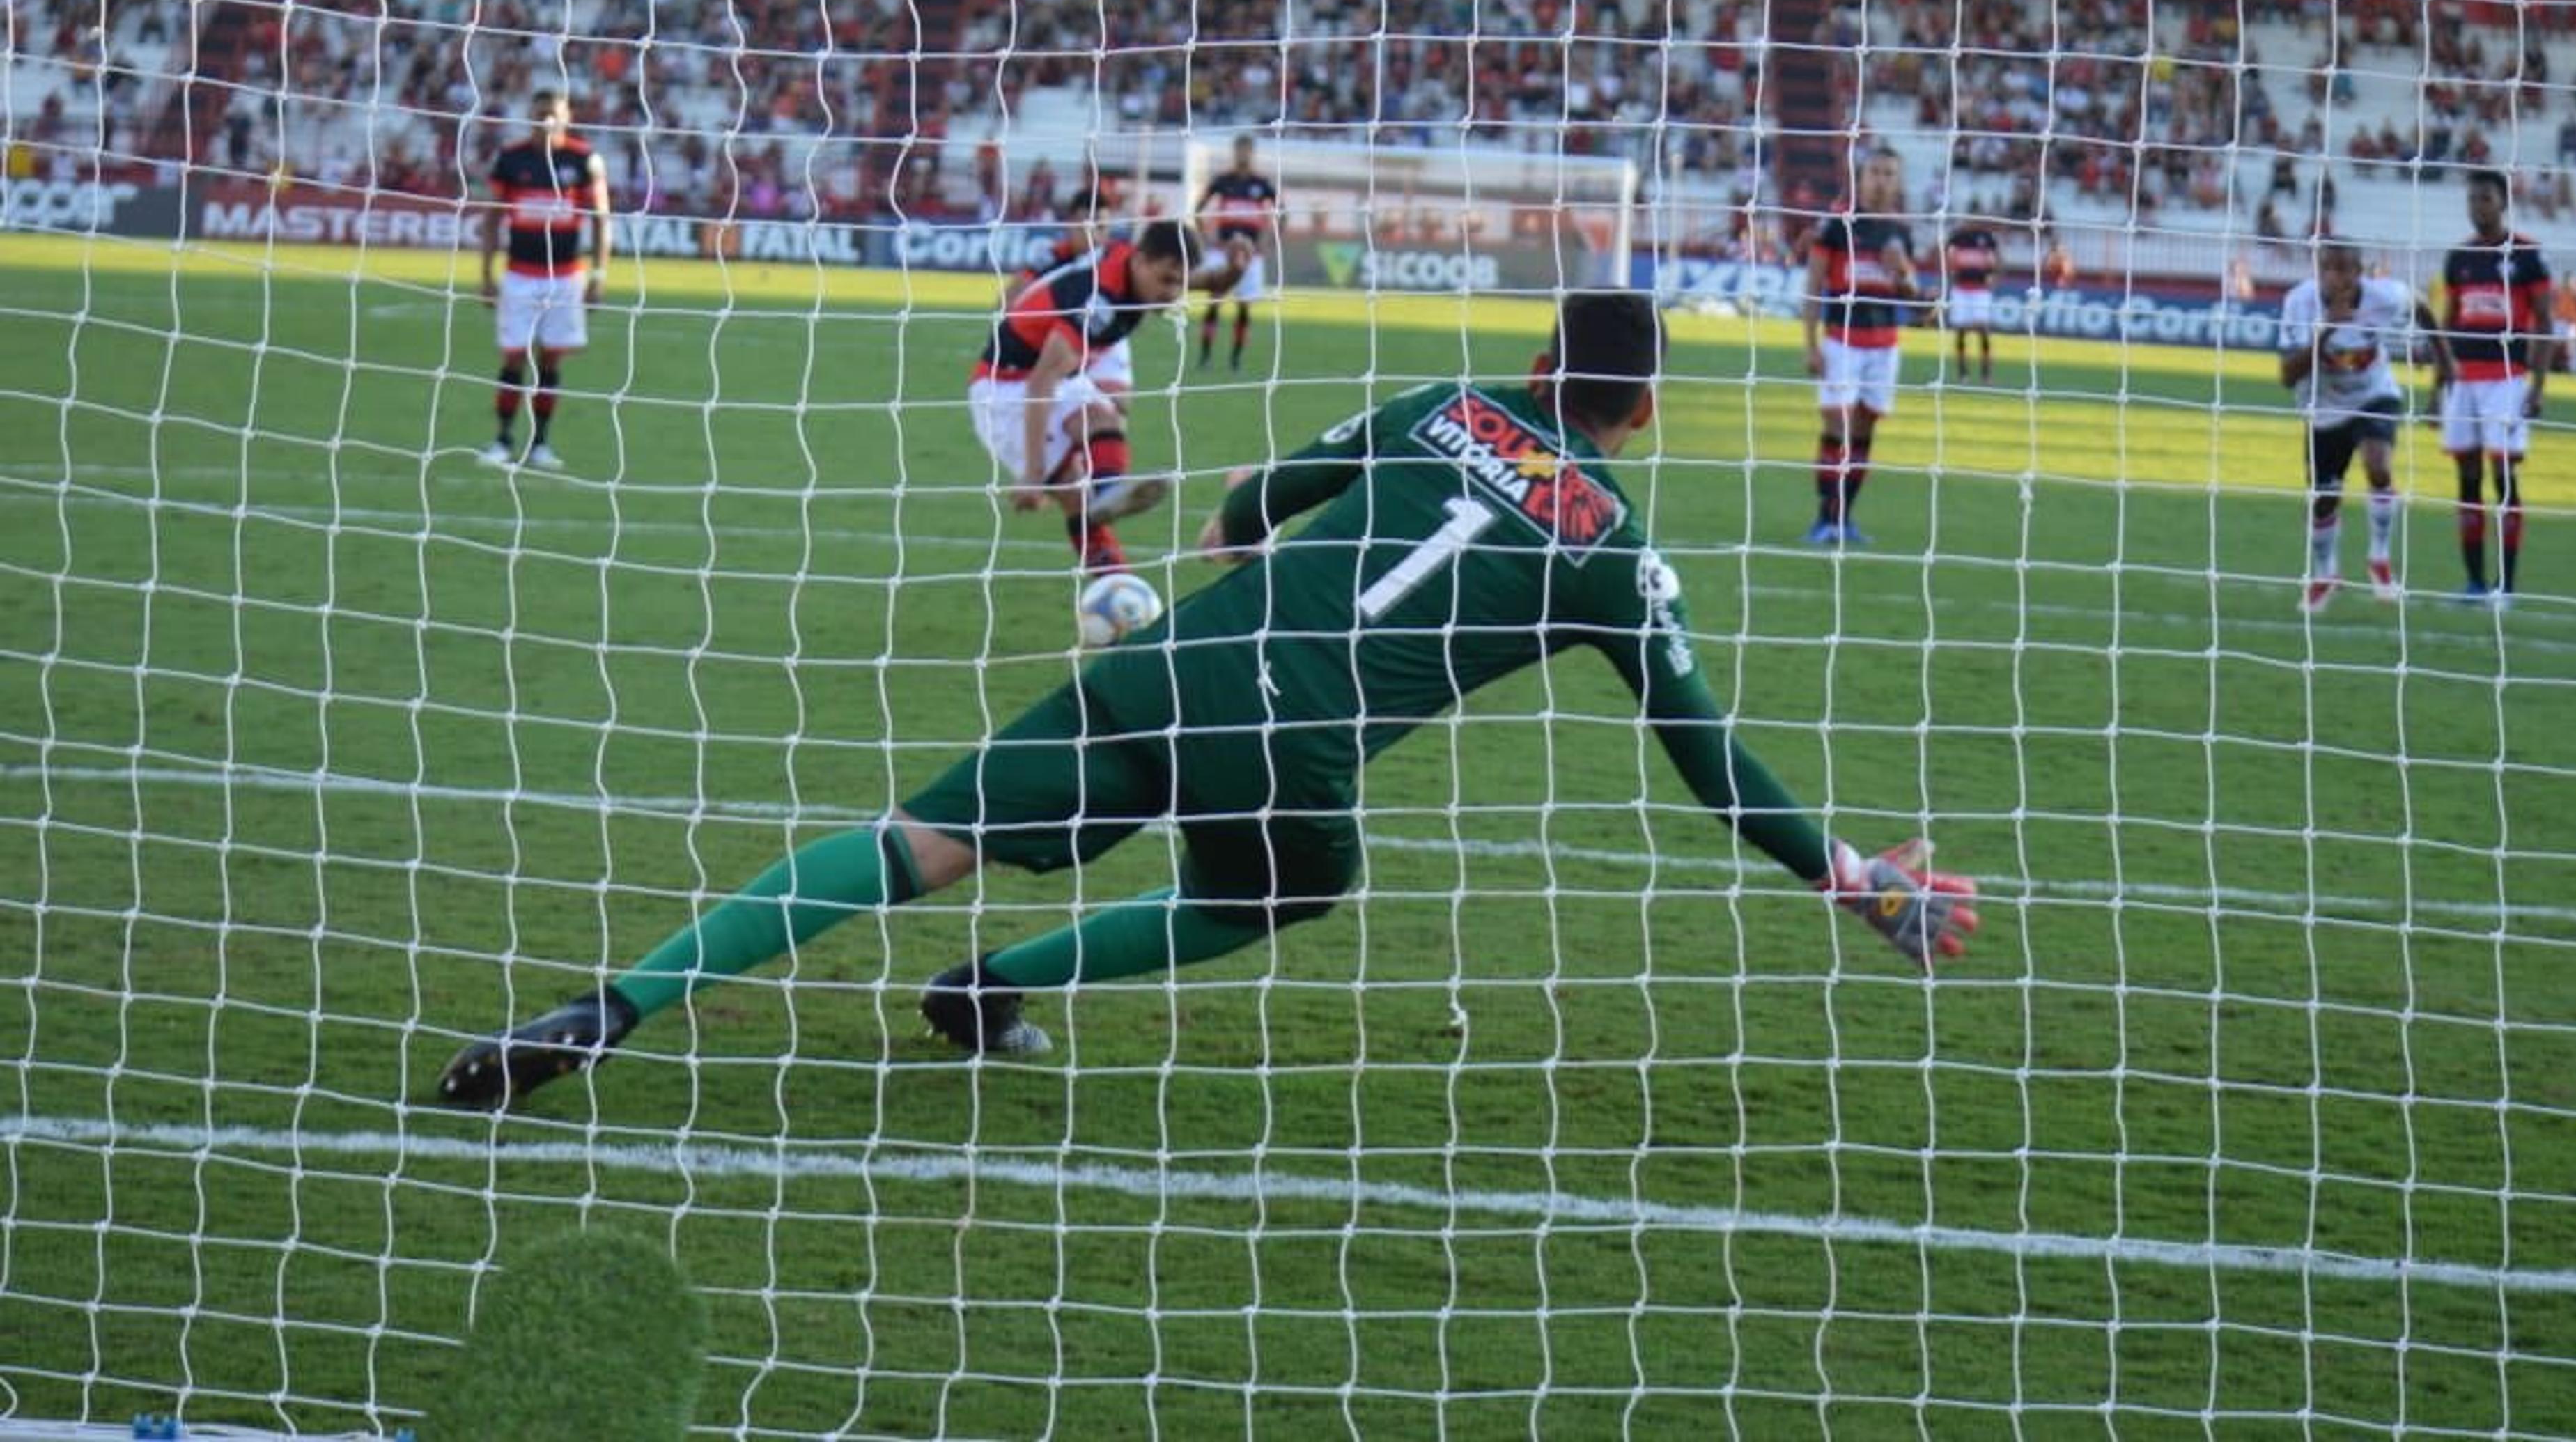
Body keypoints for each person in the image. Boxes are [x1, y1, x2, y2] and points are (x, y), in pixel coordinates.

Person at [436, 292, 1978, 1111]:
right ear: (1641, 412)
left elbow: (1252, 501)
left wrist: (1229, 568)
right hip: (1296, 747)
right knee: (1287, 889)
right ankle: (995, 989)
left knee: (915, 835)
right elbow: (1705, 758)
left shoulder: (1443, 402)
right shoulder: (1621, 555)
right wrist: (1855, 877)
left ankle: (614, 1002)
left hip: (1167, 661)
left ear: (1533, 361)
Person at [972, 219, 1195, 572]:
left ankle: (1108, 494)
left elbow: (1196, 278)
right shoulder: (1099, 305)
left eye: (1180, 283)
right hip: (1006, 390)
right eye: (1167, 281)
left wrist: (1230, 269)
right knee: (1075, 495)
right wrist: (1033, 472)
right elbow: (1041, 380)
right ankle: (1115, 585)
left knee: (1104, 418)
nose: (1173, 293)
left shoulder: (1134, 263)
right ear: (1140, 262)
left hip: (1057, 379)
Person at [2276, 242, 2434, 613]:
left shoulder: (2384, 296)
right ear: (2319, 271)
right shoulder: (2299, 303)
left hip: (2375, 395)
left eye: (2346, 269)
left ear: (2360, 271)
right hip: (2323, 407)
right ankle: (2325, 573)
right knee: (2324, 498)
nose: (2338, 277)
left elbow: (2421, 304)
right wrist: (2327, 330)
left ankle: (2379, 558)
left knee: (2379, 465)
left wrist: (2444, 362)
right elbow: (2287, 375)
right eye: (2329, 269)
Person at [2433, 170, 2552, 607]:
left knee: (2504, 478)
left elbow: (2544, 324)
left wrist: (2538, 386)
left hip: (2506, 382)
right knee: (2466, 478)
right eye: (2472, 199)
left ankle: (2507, 587)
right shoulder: (2459, 258)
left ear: (2502, 202)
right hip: (2463, 381)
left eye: (2485, 199)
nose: (2477, 206)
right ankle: (2474, 584)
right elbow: (2447, 325)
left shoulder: (2527, 255)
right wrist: (2436, 388)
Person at [476, 90, 609, 470]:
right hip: (519, 275)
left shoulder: (584, 160)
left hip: (566, 278)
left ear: (567, 117)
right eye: (540, 114)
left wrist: (599, 276)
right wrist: (486, 275)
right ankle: (502, 440)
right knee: (515, 357)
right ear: (529, 116)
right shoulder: (510, 158)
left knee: (551, 359)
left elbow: (601, 219)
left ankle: (540, 444)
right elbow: (491, 218)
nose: (547, 121)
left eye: (553, 114)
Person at [1801, 148, 1918, 546]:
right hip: (1841, 344)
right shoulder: (1836, 227)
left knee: (1865, 431)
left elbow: (1915, 303)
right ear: (1861, 176)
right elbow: (1813, 286)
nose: (1882, 180)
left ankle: (1845, 519)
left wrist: (1901, 273)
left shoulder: (1901, 233)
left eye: (1889, 173)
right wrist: (1810, 344)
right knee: (1838, 427)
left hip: (1885, 347)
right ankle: (1824, 518)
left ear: (1897, 181)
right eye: (1875, 172)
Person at [1194, 134, 1280, 371]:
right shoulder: (1223, 180)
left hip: (1251, 254)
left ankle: (1235, 358)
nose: (1243, 155)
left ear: (1252, 153)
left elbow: (1282, 210)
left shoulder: (1261, 183)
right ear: (1235, 152)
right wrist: (1208, 237)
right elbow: (1198, 210)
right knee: (1214, 302)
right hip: (1223, 251)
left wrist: (1269, 240)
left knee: (1244, 306)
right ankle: (1205, 355)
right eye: (1239, 150)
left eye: (1247, 151)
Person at [1941, 223, 2001, 382]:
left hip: (1980, 290)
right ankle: (1963, 373)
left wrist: (1995, 276)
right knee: (1960, 331)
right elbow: (1947, 257)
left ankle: (1986, 374)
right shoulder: (1957, 237)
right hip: (1961, 290)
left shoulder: (1987, 238)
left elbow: (1997, 260)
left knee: (1983, 330)